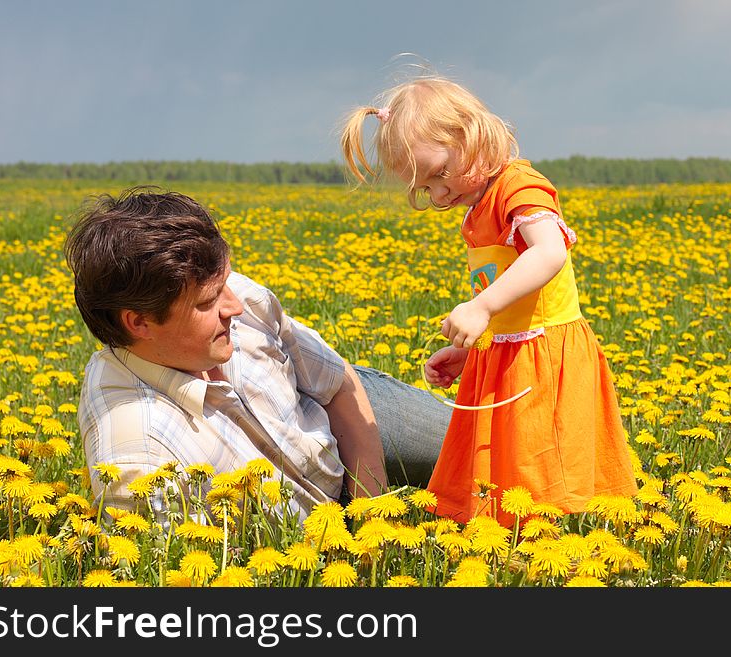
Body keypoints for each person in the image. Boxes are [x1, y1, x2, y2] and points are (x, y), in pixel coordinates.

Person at [341, 74, 638, 526]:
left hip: (543, 354)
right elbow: (509, 294)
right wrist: (470, 348)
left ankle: (544, 556)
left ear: (469, 134)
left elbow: (549, 251)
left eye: (440, 173)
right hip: (509, 351)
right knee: (503, 474)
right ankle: (507, 550)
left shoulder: (519, 186)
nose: (440, 193)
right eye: (425, 188)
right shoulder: (478, 207)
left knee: (535, 467)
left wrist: (480, 309)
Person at [64, 187, 449, 523]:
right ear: (140, 323)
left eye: (225, 283)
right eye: (209, 301)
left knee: (495, 449)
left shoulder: (228, 293)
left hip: (336, 410)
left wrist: (369, 518)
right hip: (303, 536)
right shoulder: (138, 451)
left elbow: (338, 386)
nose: (234, 305)